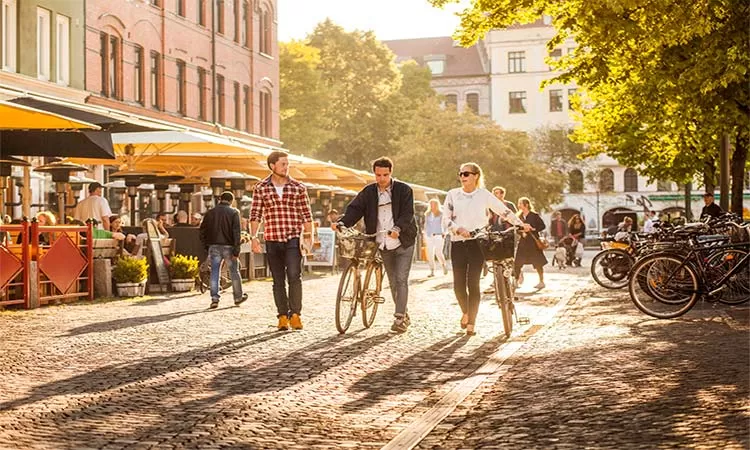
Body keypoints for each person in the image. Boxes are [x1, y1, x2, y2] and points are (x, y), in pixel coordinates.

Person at [442, 163, 528, 336]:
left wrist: (520, 223)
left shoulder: (483, 195)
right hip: (458, 243)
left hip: (478, 243)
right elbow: (445, 219)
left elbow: (503, 211)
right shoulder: (452, 195)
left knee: (473, 283)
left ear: (476, 176)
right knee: (458, 285)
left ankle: (471, 323)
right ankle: (466, 312)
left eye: (466, 173)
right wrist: (458, 229)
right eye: (460, 173)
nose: (462, 176)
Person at [335, 157, 418, 333]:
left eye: (385, 175)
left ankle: (399, 319)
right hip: (382, 242)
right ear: (374, 173)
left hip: (403, 241)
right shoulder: (368, 192)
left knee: (401, 279)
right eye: (378, 175)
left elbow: (408, 213)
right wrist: (342, 223)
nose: (381, 179)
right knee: (393, 282)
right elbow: (355, 210)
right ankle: (404, 312)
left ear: (391, 173)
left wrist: (398, 228)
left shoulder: (404, 190)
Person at [250, 151, 313, 331]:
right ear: (272, 166)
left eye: (287, 164)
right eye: (283, 164)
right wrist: (254, 237)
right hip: (272, 238)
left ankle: (296, 315)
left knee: (294, 275)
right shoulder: (261, 188)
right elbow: (255, 214)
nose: (287, 167)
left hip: (293, 237)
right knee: (277, 280)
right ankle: (282, 316)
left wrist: (310, 238)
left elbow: (307, 215)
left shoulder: (298, 187)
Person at [200, 191, 248, 309]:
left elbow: (202, 231)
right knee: (234, 272)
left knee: (214, 272)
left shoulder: (210, 213)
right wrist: (237, 250)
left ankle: (214, 299)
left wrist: (207, 246)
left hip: (214, 246)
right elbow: (236, 233)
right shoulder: (234, 212)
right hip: (229, 246)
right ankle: (238, 297)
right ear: (231, 201)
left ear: (220, 199)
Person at [515, 197, 548, 290]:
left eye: (520, 203)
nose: (519, 205)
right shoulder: (519, 216)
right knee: (517, 262)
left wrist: (533, 228)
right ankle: (516, 281)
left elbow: (542, 226)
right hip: (523, 242)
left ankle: (541, 281)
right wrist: (521, 231)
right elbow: (516, 228)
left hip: (533, 242)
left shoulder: (534, 215)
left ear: (526, 205)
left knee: (538, 263)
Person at [423, 198, 447, 277]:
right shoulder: (427, 214)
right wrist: (424, 234)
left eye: (434, 204)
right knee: (430, 253)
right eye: (431, 204)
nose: (432, 206)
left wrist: (445, 233)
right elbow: (426, 225)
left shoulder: (441, 214)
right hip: (429, 235)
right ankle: (432, 271)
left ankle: (443, 265)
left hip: (438, 235)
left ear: (437, 205)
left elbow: (445, 224)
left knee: (438, 252)